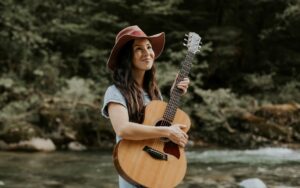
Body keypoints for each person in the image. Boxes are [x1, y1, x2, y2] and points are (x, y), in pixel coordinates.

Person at [101, 25, 190, 188]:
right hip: (134, 168)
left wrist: (177, 137)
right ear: (127, 57)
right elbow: (122, 129)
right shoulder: (115, 92)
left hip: (160, 170)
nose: (147, 52)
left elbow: (161, 132)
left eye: (148, 47)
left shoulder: (155, 94)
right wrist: (168, 131)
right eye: (138, 49)